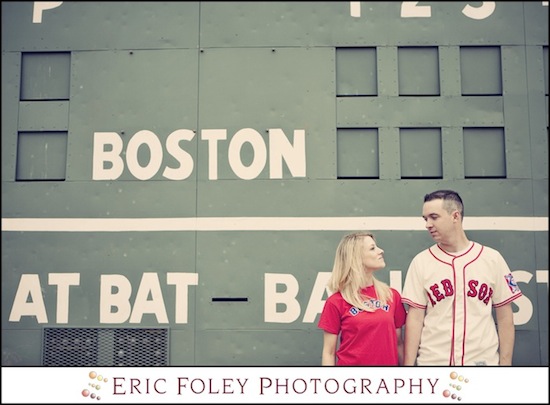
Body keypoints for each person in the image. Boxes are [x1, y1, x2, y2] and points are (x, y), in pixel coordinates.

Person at [401, 189, 522, 366]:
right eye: (425, 219)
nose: (428, 224)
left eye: (434, 217)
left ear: (455, 216)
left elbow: (505, 316)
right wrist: (408, 366)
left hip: (481, 364)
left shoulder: (491, 258)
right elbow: (415, 318)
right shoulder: (421, 261)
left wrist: (505, 364)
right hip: (433, 364)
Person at [318, 231, 407, 366]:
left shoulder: (391, 296)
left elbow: (398, 343)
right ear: (356, 258)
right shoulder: (336, 301)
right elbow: (328, 353)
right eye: (372, 248)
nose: (381, 251)